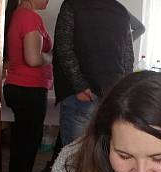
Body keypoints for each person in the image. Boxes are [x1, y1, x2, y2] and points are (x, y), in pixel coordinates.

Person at [53, 0, 145, 146]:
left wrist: (80, 85)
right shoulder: (120, 9)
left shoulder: (73, 5)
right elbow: (128, 55)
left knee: (74, 157)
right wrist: (123, 89)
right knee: (101, 154)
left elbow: (63, 48)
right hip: (110, 94)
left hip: (84, 94)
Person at [3, 0, 53, 172]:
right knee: (26, 145)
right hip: (28, 89)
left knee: (23, 143)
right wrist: (51, 58)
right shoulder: (30, 17)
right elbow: (33, 59)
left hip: (21, 87)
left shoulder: (19, 14)